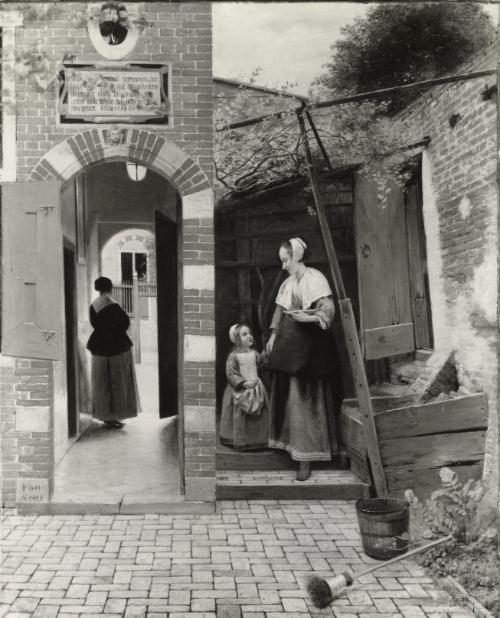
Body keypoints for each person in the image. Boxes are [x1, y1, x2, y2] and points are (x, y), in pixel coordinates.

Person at [266, 237, 343, 481]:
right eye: (282, 261)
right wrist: (272, 337)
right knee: (287, 395)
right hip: (289, 347)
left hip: (311, 349)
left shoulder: (315, 278)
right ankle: (288, 447)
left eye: (286, 260)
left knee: (305, 399)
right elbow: (279, 311)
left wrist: (310, 318)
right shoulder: (288, 283)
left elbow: (327, 308)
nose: (283, 265)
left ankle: (306, 457)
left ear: (297, 257)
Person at [87, 276, 140, 429]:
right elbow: (125, 323)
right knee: (118, 383)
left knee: (102, 383)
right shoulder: (112, 303)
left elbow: (94, 324)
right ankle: (114, 416)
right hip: (117, 347)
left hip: (99, 346)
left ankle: (106, 417)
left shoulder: (94, 305)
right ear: (109, 288)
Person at [219, 323, 269, 451]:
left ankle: (258, 440)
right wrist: (244, 384)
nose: (249, 336)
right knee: (240, 415)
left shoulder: (254, 353)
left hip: (256, 388)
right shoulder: (233, 356)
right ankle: (241, 441)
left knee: (260, 414)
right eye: (244, 334)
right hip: (240, 389)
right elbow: (231, 373)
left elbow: (262, 364)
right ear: (236, 340)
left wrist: (265, 355)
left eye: (249, 333)